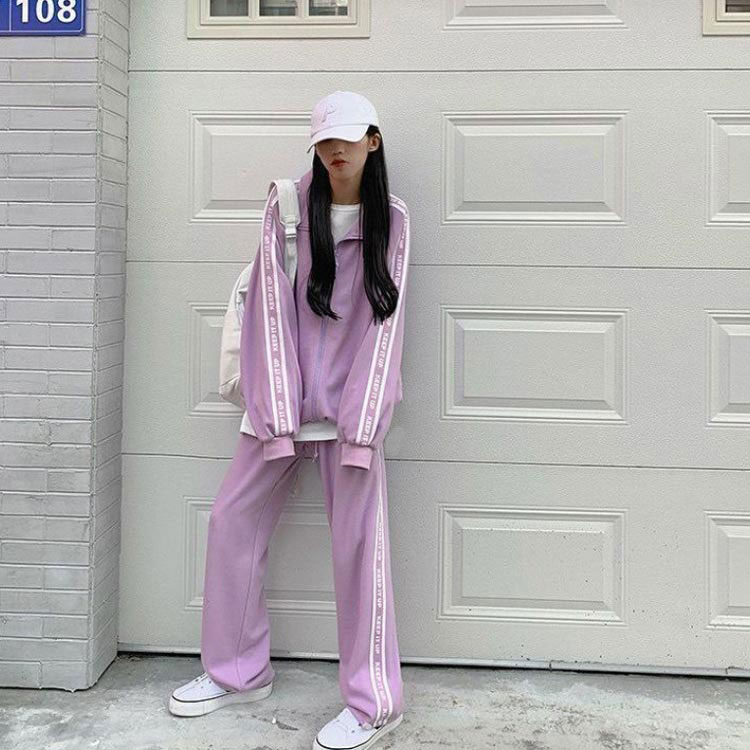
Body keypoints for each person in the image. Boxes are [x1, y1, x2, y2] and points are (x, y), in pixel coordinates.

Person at [168, 90, 410, 750]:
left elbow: (386, 329)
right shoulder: (286, 205)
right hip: (280, 402)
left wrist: (363, 425)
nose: (335, 150)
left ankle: (373, 703)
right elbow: (269, 309)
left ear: (372, 141)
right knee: (231, 522)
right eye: (324, 140)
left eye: (347, 138)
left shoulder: (393, 219)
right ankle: (237, 672)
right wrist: (276, 414)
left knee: (360, 552)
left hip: (349, 416)